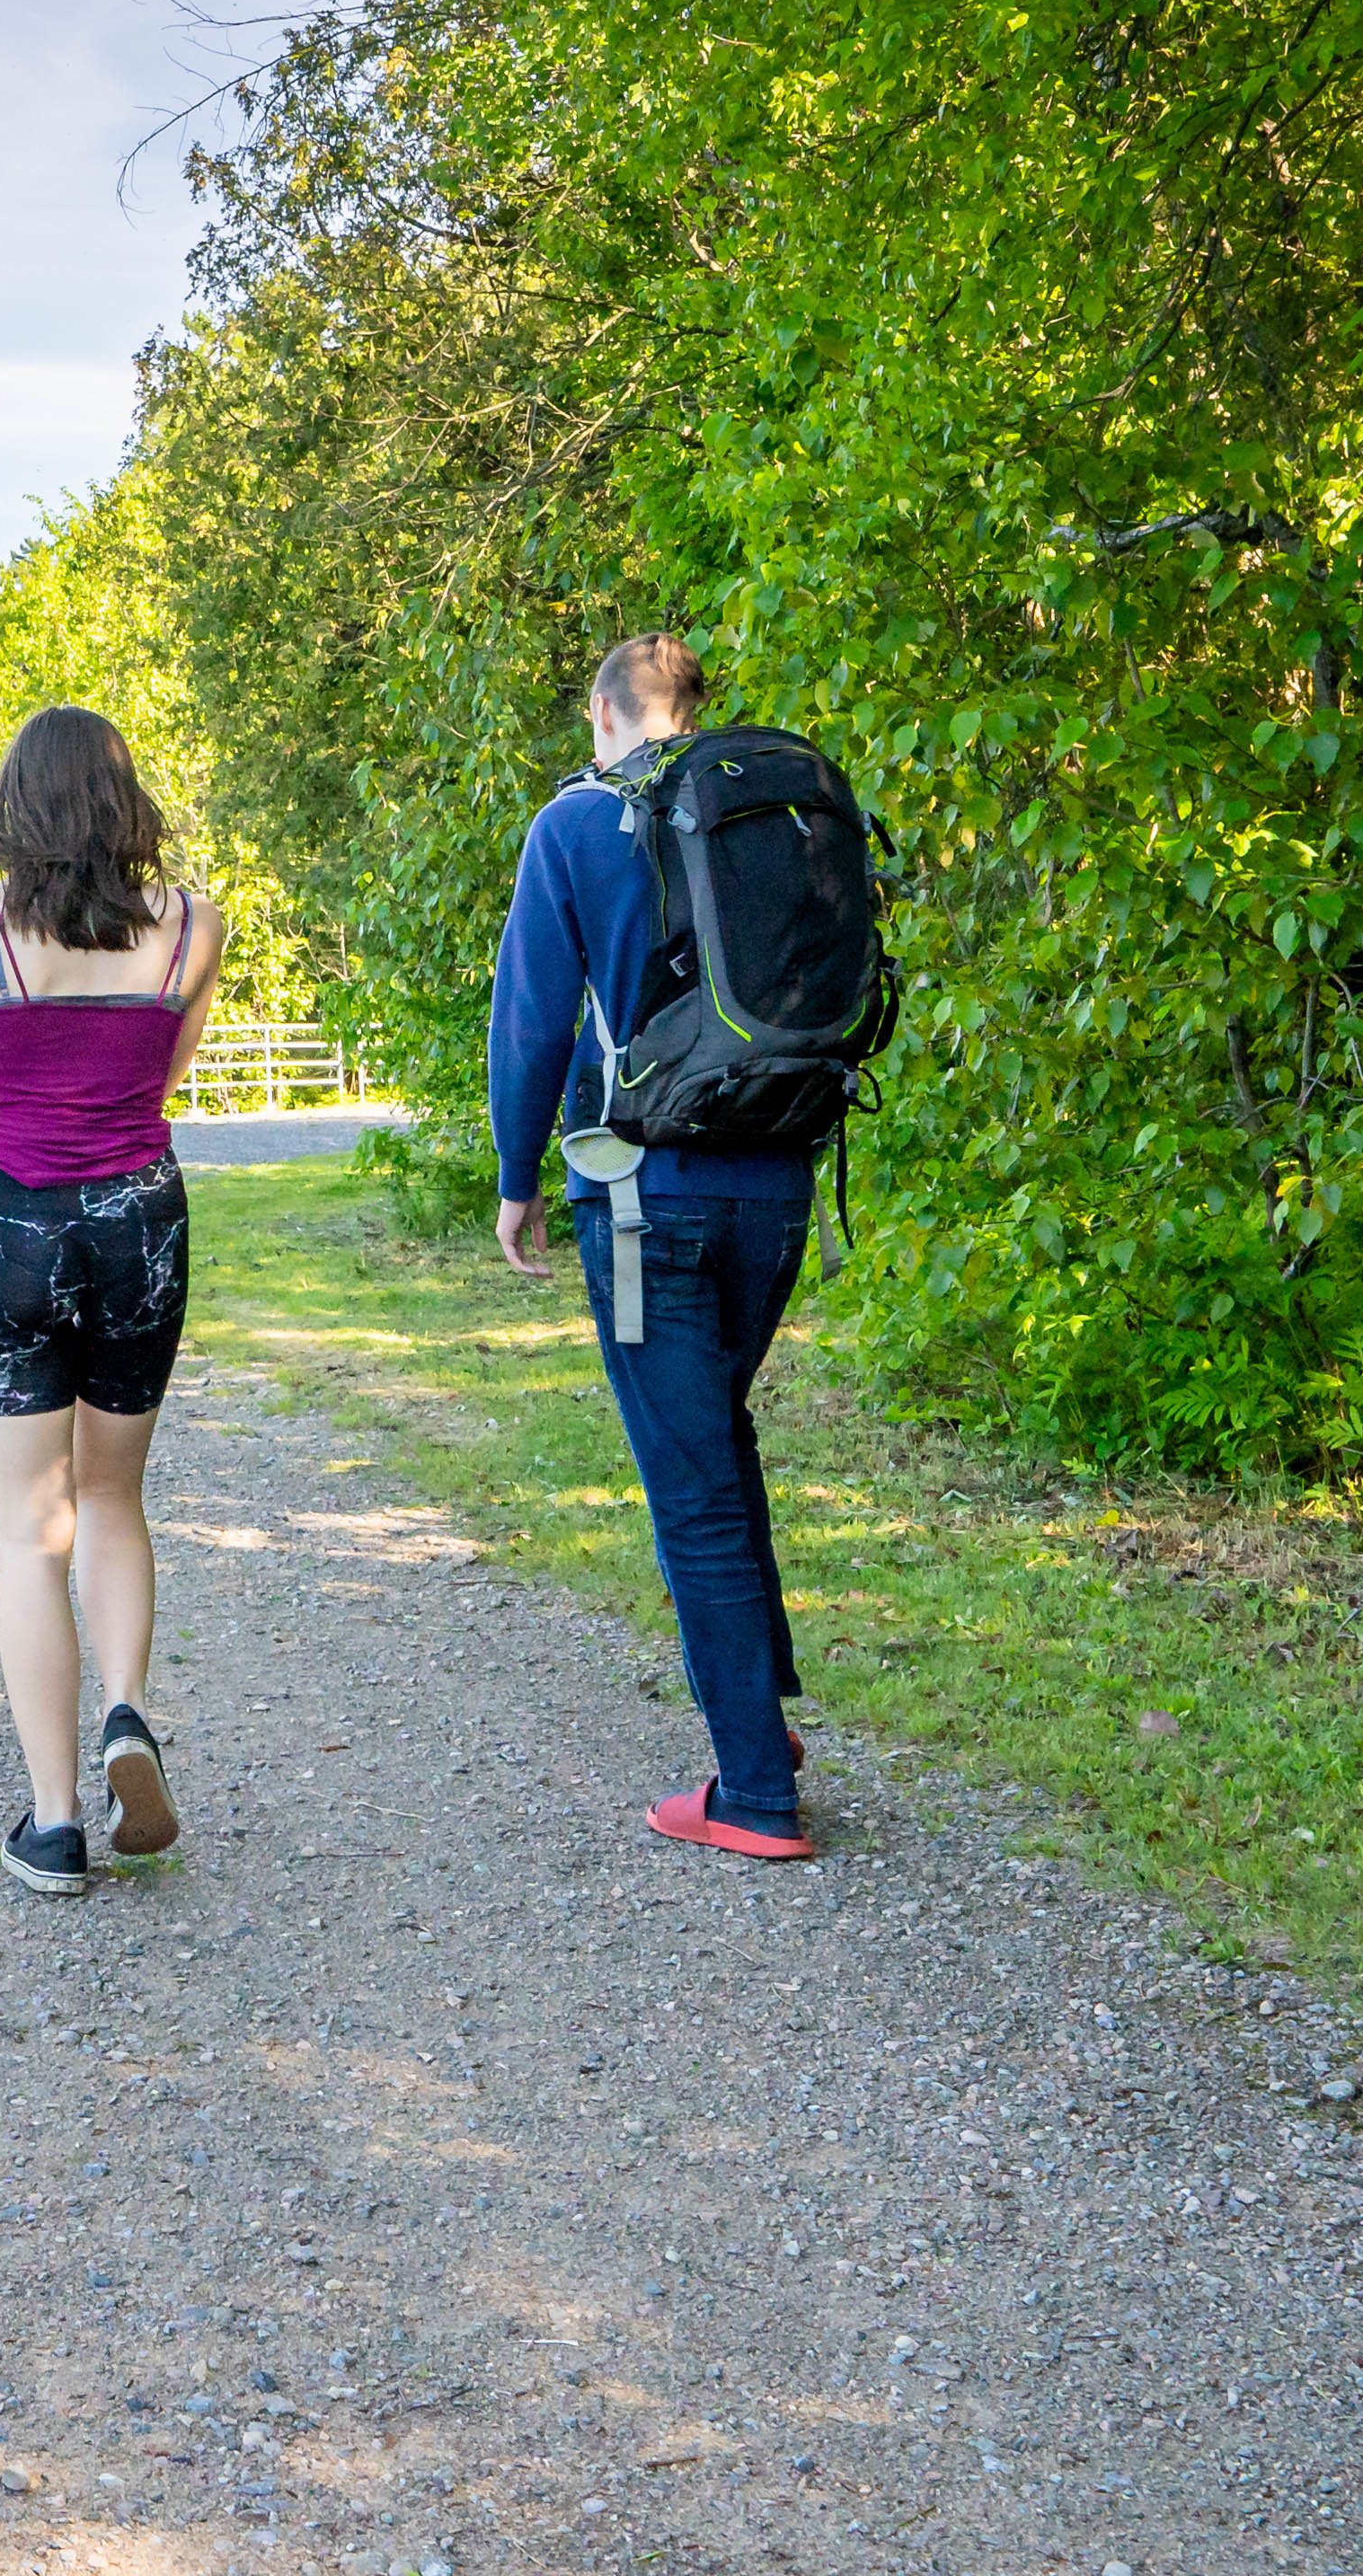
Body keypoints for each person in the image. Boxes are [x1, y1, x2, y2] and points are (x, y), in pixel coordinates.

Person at [0, 704, 232, 1894]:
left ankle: (58, 1822)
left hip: (13, 1230)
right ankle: (126, 1711)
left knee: (33, 1529)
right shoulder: (194, 928)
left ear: (14, 805)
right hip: (141, 1229)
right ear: (127, 806)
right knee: (115, 1494)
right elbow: (159, 1083)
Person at [488, 634, 822, 1859]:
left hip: (640, 1202)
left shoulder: (578, 823)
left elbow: (533, 1019)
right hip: (776, 1186)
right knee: (717, 1438)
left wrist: (517, 1176)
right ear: (694, 709)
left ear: (605, 712)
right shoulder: (773, 812)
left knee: (690, 1485)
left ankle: (755, 1793)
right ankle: (760, 1719)